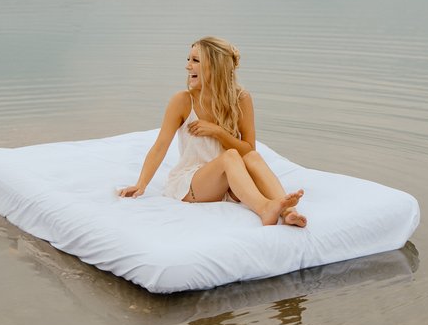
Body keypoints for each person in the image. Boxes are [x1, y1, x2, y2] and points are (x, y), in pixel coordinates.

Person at [118, 36, 307, 227]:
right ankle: (265, 208)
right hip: (192, 183)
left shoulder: (241, 98)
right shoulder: (182, 101)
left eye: (195, 60)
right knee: (231, 156)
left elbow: (249, 149)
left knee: (252, 158)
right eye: (188, 59)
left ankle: (289, 212)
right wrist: (141, 184)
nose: (187, 66)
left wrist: (219, 132)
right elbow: (160, 146)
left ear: (215, 68)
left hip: (231, 181)